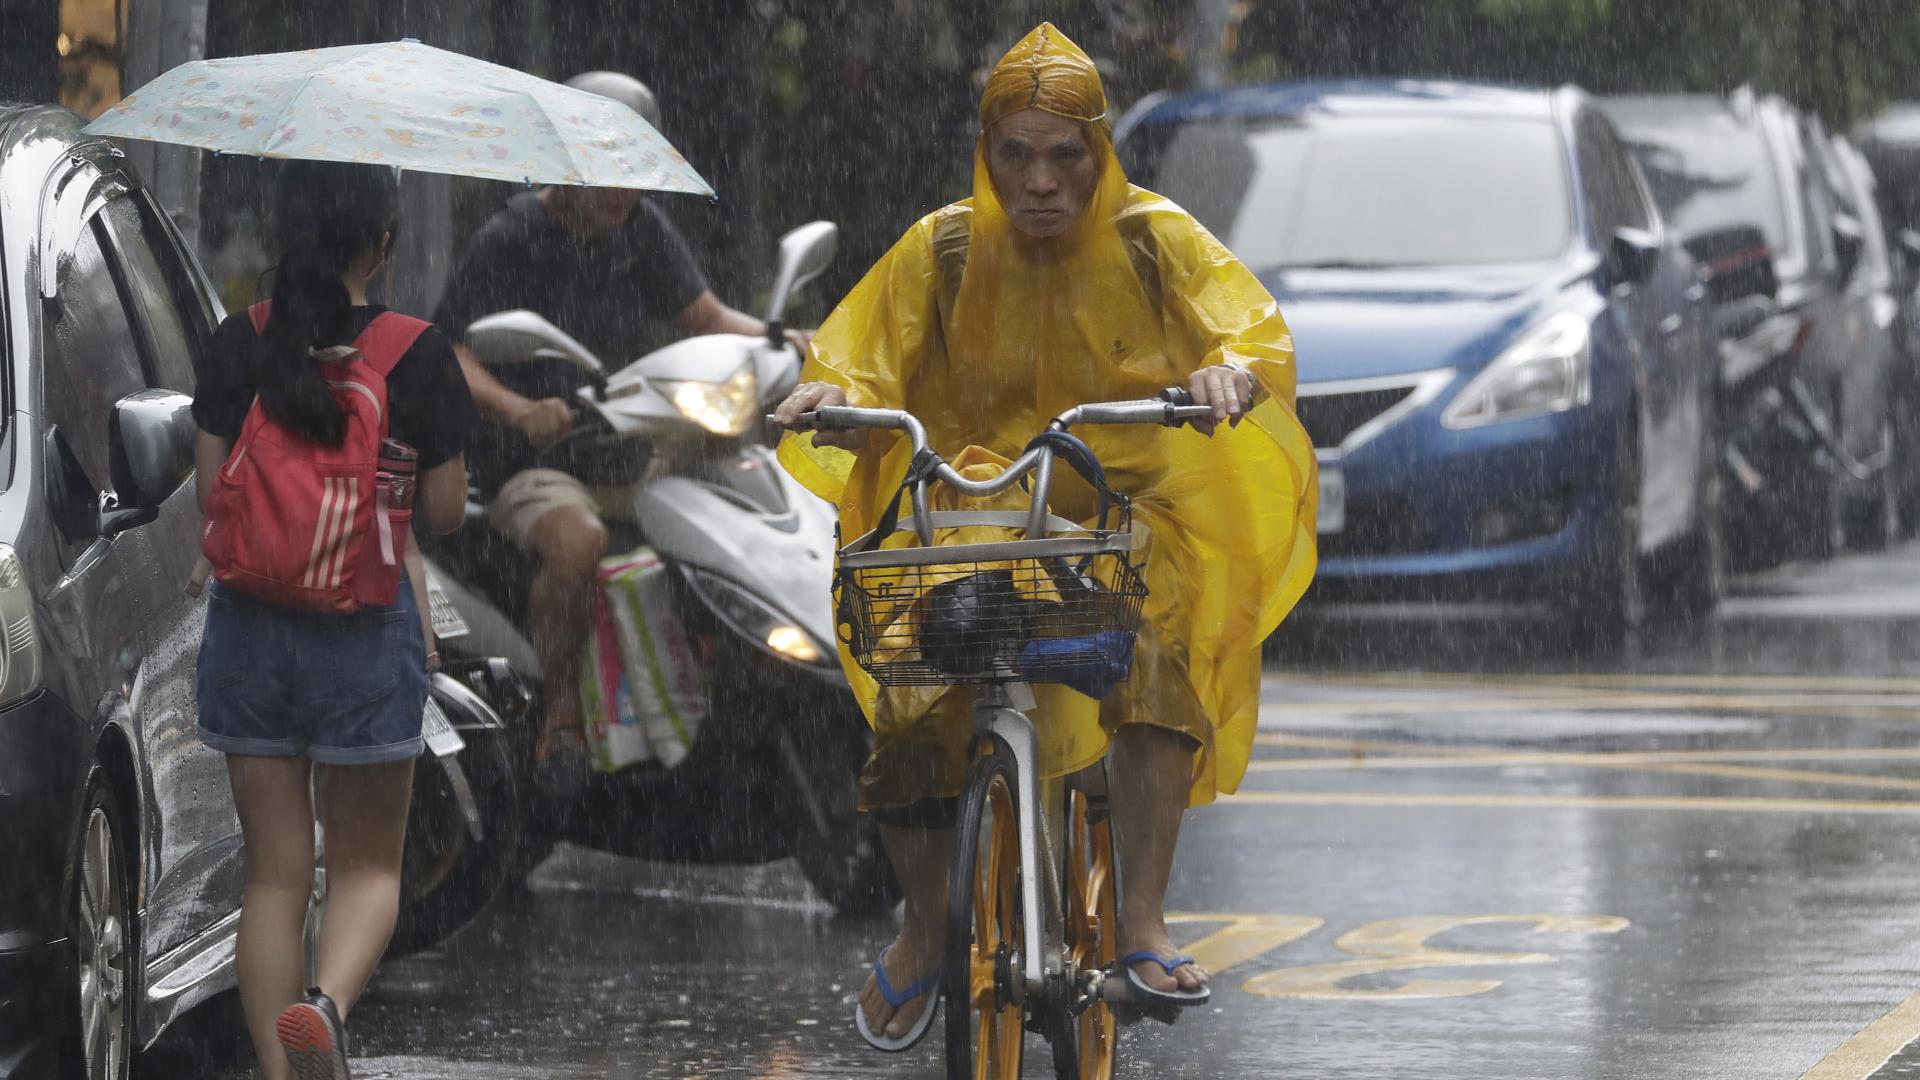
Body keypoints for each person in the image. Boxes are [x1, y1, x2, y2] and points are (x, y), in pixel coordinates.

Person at [772, 23, 1318, 1048]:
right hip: (975, 515)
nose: (1039, 180)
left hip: (1120, 514)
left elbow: (1247, 328)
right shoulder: (939, 249)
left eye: (1065, 155)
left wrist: (1227, 373)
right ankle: (926, 926)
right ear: (987, 155)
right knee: (912, 696)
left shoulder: (1155, 240)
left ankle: (1143, 923)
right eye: (1015, 155)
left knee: (1150, 667)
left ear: (1099, 154)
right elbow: (857, 357)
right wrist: (830, 398)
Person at [192, 159, 476, 1080]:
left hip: (251, 632)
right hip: (363, 632)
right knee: (366, 871)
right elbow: (442, 515)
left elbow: (210, 496)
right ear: (380, 245)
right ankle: (324, 1008)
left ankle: (280, 1074)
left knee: (275, 873)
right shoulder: (418, 351)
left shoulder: (238, 343)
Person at [432, 70, 788, 791]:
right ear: (564, 157)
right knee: (577, 544)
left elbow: (710, 318)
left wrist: (794, 341)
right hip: (539, 461)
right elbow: (453, 351)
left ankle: (741, 703)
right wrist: (518, 409)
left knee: (739, 509)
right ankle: (560, 711)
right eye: (608, 168)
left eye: (635, 169)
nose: (623, 189)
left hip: (632, 447)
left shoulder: (639, 229)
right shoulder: (512, 236)